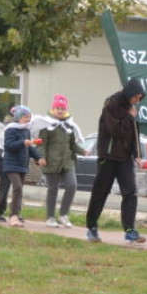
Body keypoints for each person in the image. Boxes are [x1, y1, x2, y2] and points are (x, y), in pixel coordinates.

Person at [85, 77, 146, 244]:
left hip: (125, 159)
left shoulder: (131, 108)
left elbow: (134, 133)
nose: (138, 101)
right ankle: (91, 227)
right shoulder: (111, 105)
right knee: (100, 192)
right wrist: (129, 117)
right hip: (108, 157)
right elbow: (115, 131)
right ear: (130, 93)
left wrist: (137, 154)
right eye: (136, 97)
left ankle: (129, 230)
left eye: (140, 98)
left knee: (130, 191)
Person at [37, 94, 84, 228]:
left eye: (62, 108)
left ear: (65, 110)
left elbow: (72, 144)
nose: (59, 111)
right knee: (53, 189)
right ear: (53, 109)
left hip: (67, 162)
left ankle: (63, 215)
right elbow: (41, 143)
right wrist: (41, 157)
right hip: (51, 161)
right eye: (57, 108)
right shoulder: (47, 124)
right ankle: (50, 217)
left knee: (72, 185)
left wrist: (83, 151)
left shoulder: (69, 125)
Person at [2, 105, 42, 227]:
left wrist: (38, 157)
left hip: (22, 165)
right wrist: (22, 142)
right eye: (26, 117)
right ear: (18, 117)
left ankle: (15, 213)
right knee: (17, 187)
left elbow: (29, 147)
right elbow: (8, 145)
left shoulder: (26, 130)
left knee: (19, 190)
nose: (28, 119)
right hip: (11, 164)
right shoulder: (11, 129)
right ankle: (13, 216)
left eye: (30, 117)